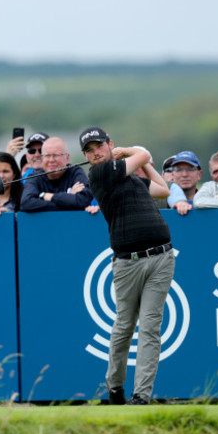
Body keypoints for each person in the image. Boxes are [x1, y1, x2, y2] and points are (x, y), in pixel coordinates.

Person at [80, 126, 174, 406]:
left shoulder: (132, 178)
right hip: (127, 263)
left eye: (99, 146)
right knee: (124, 326)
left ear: (109, 144)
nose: (95, 153)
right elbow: (143, 152)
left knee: (150, 327)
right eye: (89, 150)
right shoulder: (98, 174)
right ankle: (115, 387)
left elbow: (163, 189)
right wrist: (134, 153)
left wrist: (141, 163)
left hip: (161, 258)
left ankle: (142, 395)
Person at [20, 137, 93, 212]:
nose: (51, 160)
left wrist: (47, 196)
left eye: (56, 155)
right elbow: (26, 203)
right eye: (47, 156)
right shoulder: (34, 177)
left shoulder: (75, 173)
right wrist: (68, 199)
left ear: (67, 158)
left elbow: (83, 200)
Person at [167, 151, 202, 215]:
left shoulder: (208, 202)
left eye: (190, 169)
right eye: (179, 170)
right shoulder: (162, 203)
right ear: (172, 175)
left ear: (199, 174)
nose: (184, 174)